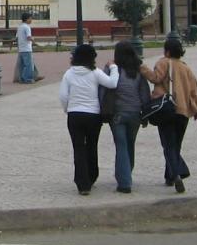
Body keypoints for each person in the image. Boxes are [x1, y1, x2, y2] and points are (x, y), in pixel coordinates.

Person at [141, 37, 197, 193]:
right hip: (184, 113)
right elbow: (196, 92)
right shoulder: (186, 68)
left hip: (168, 109)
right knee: (176, 145)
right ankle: (169, 176)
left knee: (168, 145)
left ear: (167, 51)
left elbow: (155, 78)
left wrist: (141, 67)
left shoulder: (164, 62)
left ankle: (177, 173)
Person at [59, 44, 118, 195]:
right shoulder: (95, 73)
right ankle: (92, 176)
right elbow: (112, 83)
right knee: (92, 146)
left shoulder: (69, 74)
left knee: (78, 148)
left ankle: (82, 183)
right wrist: (114, 68)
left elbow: (64, 96)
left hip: (74, 114)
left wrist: (67, 108)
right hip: (93, 115)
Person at [108, 41, 152, 193]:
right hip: (135, 114)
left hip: (118, 113)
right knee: (130, 144)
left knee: (121, 145)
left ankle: (124, 182)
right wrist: (145, 115)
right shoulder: (138, 72)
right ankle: (127, 172)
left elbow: (104, 90)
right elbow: (145, 95)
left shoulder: (113, 70)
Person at [16, 13, 43, 83]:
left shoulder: (20, 27)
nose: (31, 20)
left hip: (21, 48)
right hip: (27, 48)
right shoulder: (27, 27)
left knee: (23, 65)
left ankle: (24, 77)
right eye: (30, 18)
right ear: (27, 19)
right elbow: (28, 37)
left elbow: (17, 37)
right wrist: (35, 42)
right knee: (28, 65)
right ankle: (27, 79)